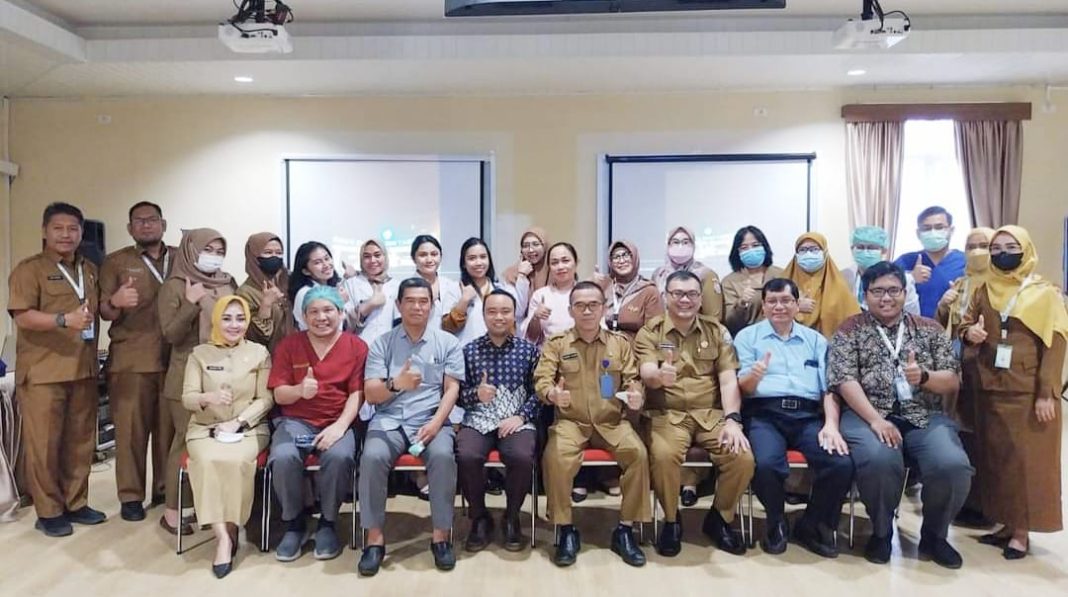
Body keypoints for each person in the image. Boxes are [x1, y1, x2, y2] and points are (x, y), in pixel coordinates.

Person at [829, 261, 971, 569]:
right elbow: (844, 380)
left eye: (893, 290)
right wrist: (876, 420)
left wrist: (923, 377)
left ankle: (935, 535)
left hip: (923, 414)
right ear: (865, 295)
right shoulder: (849, 329)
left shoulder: (929, 329)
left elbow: (953, 378)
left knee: (951, 464)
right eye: (877, 291)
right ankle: (881, 532)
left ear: (905, 293)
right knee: (880, 459)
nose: (886, 298)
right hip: (867, 414)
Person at [960, 225, 1068, 559]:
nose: (1001, 254)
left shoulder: (1044, 292)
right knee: (996, 460)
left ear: (1026, 249)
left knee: (1026, 462)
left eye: (1010, 247)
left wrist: (1047, 393)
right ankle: (1005, 524)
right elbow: (966, 324)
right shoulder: (984, 289)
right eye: (995, 249)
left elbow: (1056, 344)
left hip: (1028, 392)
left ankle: (1022, 532)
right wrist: (970, 334)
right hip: (988, 386)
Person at [634, 271, 753, 557]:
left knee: (742, 457)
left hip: (710, 414)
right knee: (663, 457)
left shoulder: (717, 331)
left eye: (691, 294)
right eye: (677, 294)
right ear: (666, 297)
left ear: (701, 298)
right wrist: (659, 376)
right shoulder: (651, 331)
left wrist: (733, 420)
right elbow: (646, 371)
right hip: (667, 413)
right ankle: (672, 520)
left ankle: (720, 518)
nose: (685, 300)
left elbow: (727, 380)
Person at [734, 277, 853, 557]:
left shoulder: (816, 340)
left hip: (808, 416)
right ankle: (776, 520)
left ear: (797, 305)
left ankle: (811, 524)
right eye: (772, 301)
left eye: (786, 301)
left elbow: (829, 389)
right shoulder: (747, 337)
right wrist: (755, 375)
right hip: (764, 413)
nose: (779, 307)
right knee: (765, 464)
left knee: (841, 463)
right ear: (763, 306)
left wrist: (831, 425)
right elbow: (742, 389)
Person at [535, 281, 650, 568]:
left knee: (638, 454)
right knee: (556, 457)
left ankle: (625, 529)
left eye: (593, 305)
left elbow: (633, 379)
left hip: (612, 421)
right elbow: (542, 380)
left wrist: (637, 395)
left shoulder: (620, 343)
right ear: (571, 310)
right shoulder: (558, 344)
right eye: (580, 306)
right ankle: (564, 530)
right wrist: (552, 394)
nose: (587, 311)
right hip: (571, 422)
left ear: (604, 308)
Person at [8, 202, 105, 537]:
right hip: (44, 373)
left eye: (73, 229)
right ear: (45, 231)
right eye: (58, 228)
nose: (66, 235)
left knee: (80, 442)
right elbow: (22, 316)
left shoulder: (90, 269)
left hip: (83, 369)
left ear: (81, 232)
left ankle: (76, 503)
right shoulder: (29, 269)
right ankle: (49, 511)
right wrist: (64, 320)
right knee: (45, 445)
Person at [358, 277, 464, 576]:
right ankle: (374, 540)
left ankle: (441, 537)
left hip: (432, 420)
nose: (417, 307)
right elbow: (371, 393)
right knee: (372, 457)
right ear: (398, 305)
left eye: (424, 301)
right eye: (410, 301)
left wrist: (435, 423)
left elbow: (452, 390)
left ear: (432, 306)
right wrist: (396, 384)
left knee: (444, 457)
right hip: (389, 421)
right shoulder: (382, 344)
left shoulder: (448, 343)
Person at [267, 286, 365, 562]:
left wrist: (340, 426)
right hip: (296, 421)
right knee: (284, 457)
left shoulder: (356, 346)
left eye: (328, 310)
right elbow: (278, 393)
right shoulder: (290, 346)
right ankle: (295, 523)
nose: (321, 317)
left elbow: (358, 393)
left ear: (340, 312)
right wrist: (299, 391)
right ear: (304, 315)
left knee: (339, 455)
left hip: (339, 420)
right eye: (314, 312)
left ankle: (328, 523)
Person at [181, 295, 273, 578]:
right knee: (207, 462)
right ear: (216, 319)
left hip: (248, 429)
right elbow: (187, 398)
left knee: (234, 462)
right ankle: (222, 536)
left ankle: (233, 526)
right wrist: (207, 398)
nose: (234, 325)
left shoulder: (260, 353)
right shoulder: (199, 354)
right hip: (205, 429)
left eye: (240, 318)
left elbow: (266, 398)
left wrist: (239, 422)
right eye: (227, 318)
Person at [98, 201, 175, 522]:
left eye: (152, 220)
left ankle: (163, 489)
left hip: (174, 359)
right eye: (139, 221)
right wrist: (116, 302)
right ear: (130, 228)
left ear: (163, 224)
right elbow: (102, 310)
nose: (146, 225)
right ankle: (130, 496)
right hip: (131, 360)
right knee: (130, 431)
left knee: (167, 430)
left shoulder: (180, 257)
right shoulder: (116, 262)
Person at [158, 228, 237, 535]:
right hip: (186, 378)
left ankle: (206, 509)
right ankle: (174, 512)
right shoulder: (175, 286)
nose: (214, 255)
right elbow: (171, 335)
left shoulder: (227, 282)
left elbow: (236, 321)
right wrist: (192, 304)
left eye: (219, 250)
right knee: (185, 442)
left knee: (213, 445)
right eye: (209, 249)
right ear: (191, 250)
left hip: (223, 378)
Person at [456, 290, 539, 552]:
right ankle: (479, 517)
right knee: (467, 454)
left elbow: (540, 392)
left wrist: (522, 416)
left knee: (522, 456)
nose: (499, 317)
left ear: (514, 315)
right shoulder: (468, 351)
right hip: (479, 417)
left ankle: (512, 516)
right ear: (483, 316)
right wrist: (474, 394)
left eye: (505, 311)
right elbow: (455, 396)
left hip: (516, 418)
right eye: (492, 311)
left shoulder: (529, 351)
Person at [934, 226, 994, 526]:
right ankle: (962, 500)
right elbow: (945, 326)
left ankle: (986, 504)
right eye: (971, 246)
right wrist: (943, 307)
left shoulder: (1003, 286)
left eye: (985, 245)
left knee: (985, 437)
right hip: (956, 370)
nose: (977, 251)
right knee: (959, 431)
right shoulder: (961, 283)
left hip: (989, 373)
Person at [782, 232, 860, 338]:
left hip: (830, 347)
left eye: (814, 249)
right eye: (803, 250)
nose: (808, 254)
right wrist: (794, 307)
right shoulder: (783, 281)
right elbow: (768, 315)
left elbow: (853, 324)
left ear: (825, 252)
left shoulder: (839, 286)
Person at [442, 237, 518, 347]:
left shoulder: (501, 289)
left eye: (483, 257)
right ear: (464, 263)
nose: (478, 262)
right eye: (472, 258)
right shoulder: (454, 289)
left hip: (497, 354)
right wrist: (464, 300)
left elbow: (511, 326)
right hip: (465, 355)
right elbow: (448, 328)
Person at [893, 206, 966, 318]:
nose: (933, 232)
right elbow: (886, 292)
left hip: (952, 331)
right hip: (912, 330)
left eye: (939, 227)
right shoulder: (904, 261)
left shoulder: (964, 261)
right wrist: (910, 278)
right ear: (918, 233)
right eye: (926, 228)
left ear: (951, 230)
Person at [842, 226, 920, 316]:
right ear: (852, 249)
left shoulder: (903, 278)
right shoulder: (843, 277)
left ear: (884, 250)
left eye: (871, 247)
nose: (865, 251)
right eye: (860, 247)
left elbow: (913, 314)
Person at [720, 226, 784, 336]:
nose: (751, 250)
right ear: (737, 252)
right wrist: (741, 303)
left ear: (764, 247)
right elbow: (729, 323)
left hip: (781, 336)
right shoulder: (730, 281)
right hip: (748, 339)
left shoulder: (781, 274)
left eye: (755, 245)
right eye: (744, 247)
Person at [649, 226, 723, 321]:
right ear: (668, 245)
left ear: (693, 245)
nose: (680, 246)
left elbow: (713, 316)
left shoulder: (705, 274)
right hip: (662, 332)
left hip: (696, 332)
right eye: (675, 242)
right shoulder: (659, 274)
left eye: (685, 242)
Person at [594, 240, 663, 341]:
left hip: (635, 352)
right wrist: (592, 284)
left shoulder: (649, 291)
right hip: (604, 349)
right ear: (610, 262)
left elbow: (654, 335)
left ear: (634, 257)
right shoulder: (604, 286)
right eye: (616, 257)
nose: (621, 261)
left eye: (626, 255)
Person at [236, 232, 291, 352]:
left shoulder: (289, 281)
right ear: (254, 257)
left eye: (279, 253)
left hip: (297, 355)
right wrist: (266, 305)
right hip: (270, 360)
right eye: (268, 253)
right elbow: (253, 338)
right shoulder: (245, 293)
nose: (274, 257)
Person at [521, 242, 579, 347]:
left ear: (576, 263)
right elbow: (531, 338)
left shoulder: (585, 293)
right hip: (550, 357)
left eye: (565, 261)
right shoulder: (540, 295)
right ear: (549, 267)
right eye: (554, 263)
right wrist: (536, 318)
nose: (560, 267)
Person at [341, 239, 398, 345]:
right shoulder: (351, 283)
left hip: (389, 347)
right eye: (367, 256)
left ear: (385, 257)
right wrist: (369, 305)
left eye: (377, 255)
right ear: (361, 260)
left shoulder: (396, 285)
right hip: (359, 345)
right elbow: (345, 322)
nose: (372, 260)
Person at [288, 241, 346, 331]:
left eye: (327, 258)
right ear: (305, 271)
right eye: (318, 262)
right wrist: (340, 303)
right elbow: (325, 330)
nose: (326, 265)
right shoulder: (305, 293)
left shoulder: (335, 287)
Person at [502, 227, 551, 321]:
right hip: (522, 332)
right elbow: (518, 311)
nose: (530, 250)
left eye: (536, 244)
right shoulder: (512, 274)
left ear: (545, 247)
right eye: (525, 246)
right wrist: (522, 276)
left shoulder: (554, 271)